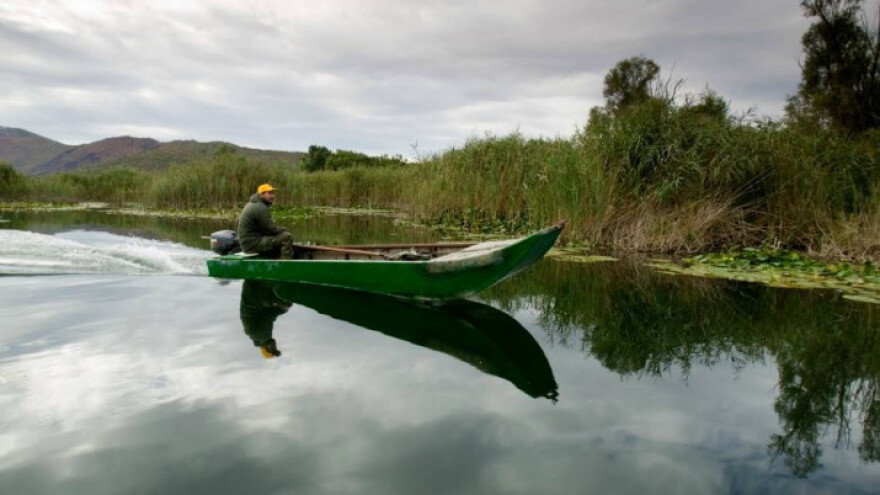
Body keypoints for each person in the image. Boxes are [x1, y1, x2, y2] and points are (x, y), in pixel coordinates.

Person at [238, 183, 293, 259]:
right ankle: (285, 265)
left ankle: (276, 258)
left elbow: (267, 229)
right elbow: (271, 230)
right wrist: (284, 230)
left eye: (273, 194)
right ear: (262, 194)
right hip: (252, 244)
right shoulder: (260, 207)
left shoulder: (255, 204)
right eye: (270, 194)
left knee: (281, 237)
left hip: (250, 242)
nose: (272, 196)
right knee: (286, 237)